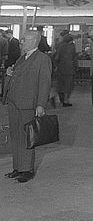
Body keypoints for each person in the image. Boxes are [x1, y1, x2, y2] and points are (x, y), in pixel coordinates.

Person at [2, 29, 51, 183]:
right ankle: (18, 167)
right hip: (14, 103)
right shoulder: (22, 58)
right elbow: (16, 77)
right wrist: (9, 74)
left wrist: (41, 105)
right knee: (15, 136)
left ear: (34, 41)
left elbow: (45, 83)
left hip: (28, 104)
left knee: (27, 137)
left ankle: (27, 169)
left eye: (24, 39)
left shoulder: (42, 59)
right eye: (22, 39)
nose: (21, 41)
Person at [53, 34, 78, 106]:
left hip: (61, 68)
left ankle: (60, 99)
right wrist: (76, 67)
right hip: (69, 69)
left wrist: (56, 66)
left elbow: (56, 57)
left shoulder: (59, 46)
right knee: (68, 85)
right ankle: (66, 101)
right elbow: (74, 58)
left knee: (60, 85)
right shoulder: (72, 47)